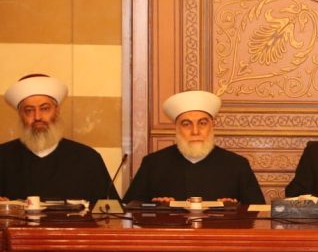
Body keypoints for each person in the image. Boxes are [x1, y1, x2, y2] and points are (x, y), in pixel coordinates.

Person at [124, 90, 265, 204]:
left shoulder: (237, 165)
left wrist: (234, 209)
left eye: (202, 123)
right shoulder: (153, 164)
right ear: (176, 127)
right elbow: (130, 209)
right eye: (186, 124)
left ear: (212, 125)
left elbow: (258, 213)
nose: (195, 131)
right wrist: (157, 208)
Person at [0, 74, 116, 202]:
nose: (37, 117)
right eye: (29, 110)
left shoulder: (88, 159)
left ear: (57, 110)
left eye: (45, 109)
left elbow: (110, 210)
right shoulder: (3, 157)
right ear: (20, 115)